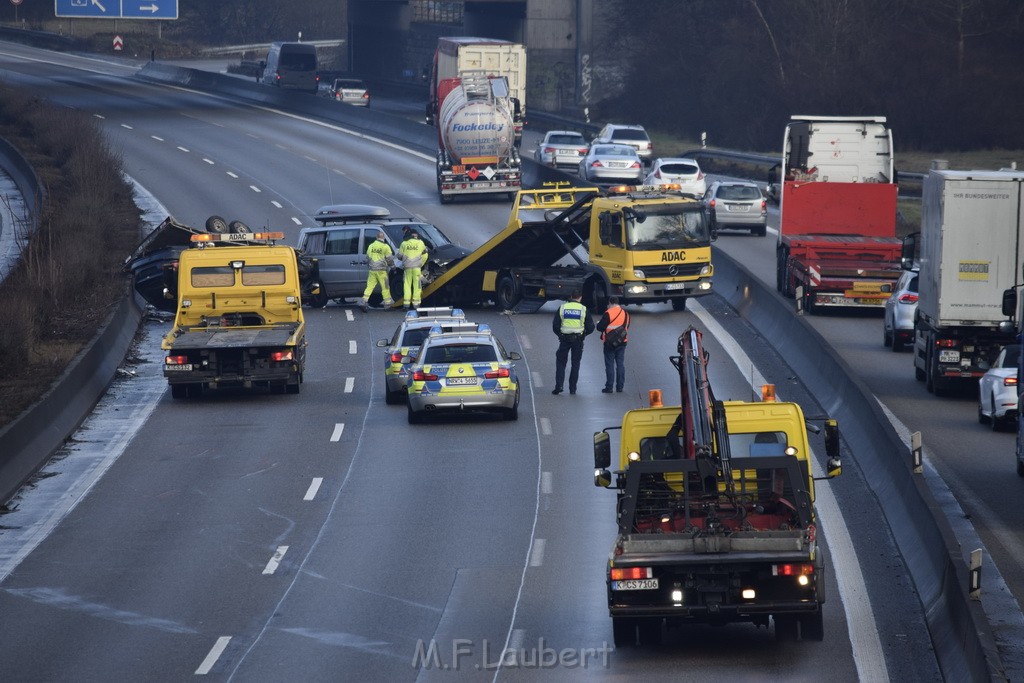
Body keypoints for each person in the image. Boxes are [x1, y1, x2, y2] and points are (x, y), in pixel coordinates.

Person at [551, 289, 594, 395]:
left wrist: (560, 335)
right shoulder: (583, 309)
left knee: (561, 362)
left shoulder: (563, 308)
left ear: (571, 296)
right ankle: (573, 388)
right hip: (578, 340)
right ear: (580, 297)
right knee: (575, 364)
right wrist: (583, 335)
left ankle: (559, 386)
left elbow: (555, 325)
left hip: (564, 339)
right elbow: (591, 327)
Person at [596, 296, 629, 393]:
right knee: (620, 364)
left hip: (609, 343)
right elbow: (626, 326)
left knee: (609, 364)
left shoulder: (608, 313)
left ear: (610, 302)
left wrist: (598, 323)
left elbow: (600, 327)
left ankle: (609, 387)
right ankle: (620, 387)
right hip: (622, 342)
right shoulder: (626, 314)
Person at [358, 230, 395, 312]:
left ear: (376, 237)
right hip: (382, 271)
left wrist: (370, 266)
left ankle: (363, 302)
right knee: (385, 288)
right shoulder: (385, 247)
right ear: (383, 238)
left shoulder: (371, 246)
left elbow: (368, 257)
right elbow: (389, 259)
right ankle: (387, 305)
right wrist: (393, 267)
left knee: (369, 287)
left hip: (372, 270)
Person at [397, 229, 428, 309]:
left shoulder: (404, 244)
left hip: (407, 268)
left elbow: (399, 256)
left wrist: (404, 258)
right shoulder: (420, 243)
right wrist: (421, 263)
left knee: (407, 286)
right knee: (417, 286)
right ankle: (416, 305)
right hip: (417, 268)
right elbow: (425, 253)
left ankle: (406, 305)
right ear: (416, 236)